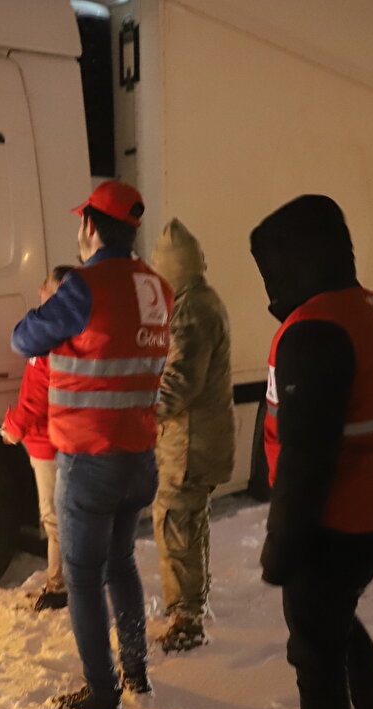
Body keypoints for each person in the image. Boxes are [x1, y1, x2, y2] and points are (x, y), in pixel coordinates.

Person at [243, 195, 373, 709]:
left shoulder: (316, 329)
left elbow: (306, 459)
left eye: (271, 266)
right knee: (334, 614)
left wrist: (282, 548)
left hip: (339, 518)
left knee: (314, 650)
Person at [11, 180, 172, 709]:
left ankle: (102, 692)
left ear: (89, 227)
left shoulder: (84, 286)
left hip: (88, 459)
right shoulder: (157, 289)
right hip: (139, 457)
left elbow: (24, 339)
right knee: (121, 564)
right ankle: (136, 669)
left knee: (82, 577)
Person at [149, 218, 235, 653]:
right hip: (203, 438)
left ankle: (186, 620)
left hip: (189, 443)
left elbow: (180, 382)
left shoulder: (190, 311)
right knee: (193, 520)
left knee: (176, 522)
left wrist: (143, 413)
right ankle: (193, 603)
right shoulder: (205, 300)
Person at [0, 265, 77, 612]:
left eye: (45, 285)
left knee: (54, 516)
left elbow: (34, 398)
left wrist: (14, 427)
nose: (38, 289)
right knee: (67, 513)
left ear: (58, 291)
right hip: (60, 438)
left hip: (48, 442)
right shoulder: (68, 332)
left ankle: (59, 585)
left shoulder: (49, 338)